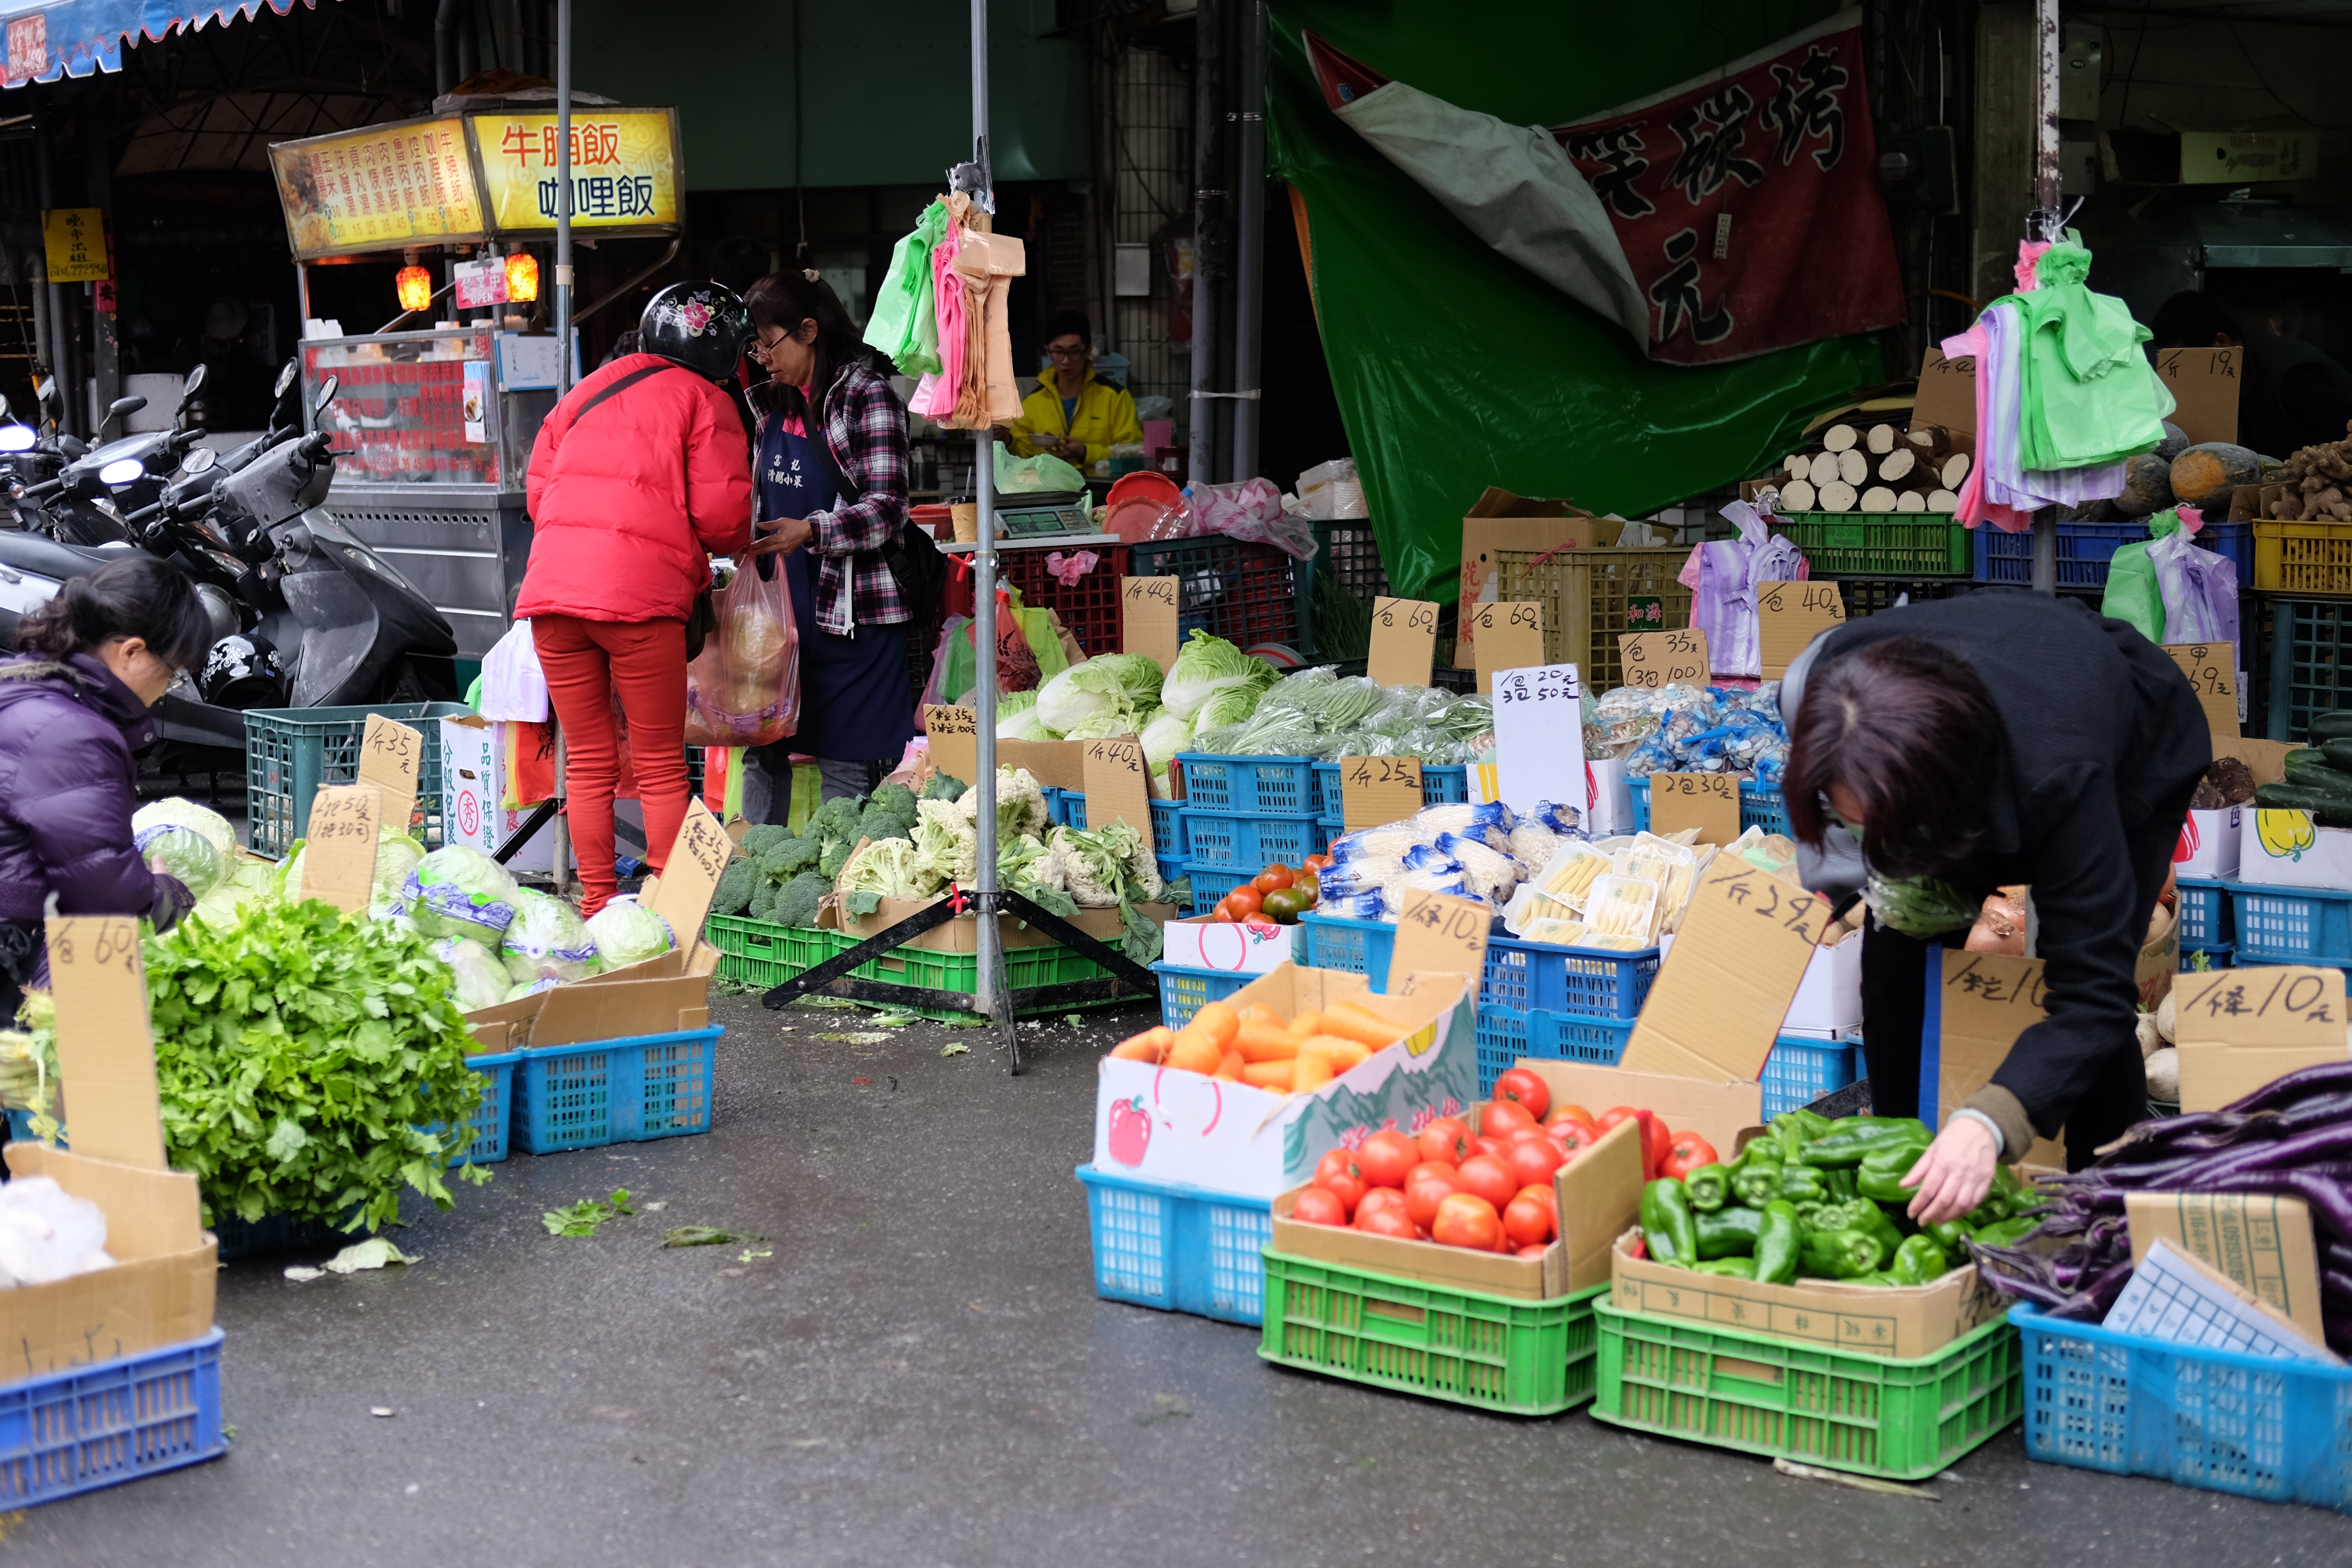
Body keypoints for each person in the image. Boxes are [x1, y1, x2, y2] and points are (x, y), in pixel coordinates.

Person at [1779, 590, 2207, 1224]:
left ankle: (2106, 1211)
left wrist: (1990, 1121)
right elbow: (1850, 833)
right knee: (1896, 952)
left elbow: (2088, 994)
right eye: (1856, 820)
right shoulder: (1820, 700)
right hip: (1959, 745)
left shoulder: (2061, 776)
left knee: (2096, 989)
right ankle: (1908, 1177)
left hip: (2126, 748)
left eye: (1888, 829)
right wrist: (1854, 872)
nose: (1876, 845)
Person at [519, 280, 754, 916]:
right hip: (641, 598)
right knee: (657, 762)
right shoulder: (708, 401)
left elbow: (537, 492)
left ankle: (596, 905)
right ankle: (663, 908)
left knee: (590, 759)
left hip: (553, 596)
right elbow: (724, 519)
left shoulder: (589, 389)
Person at [0, 556, 214, 1018]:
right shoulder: (71, 733)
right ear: (133, 652)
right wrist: (166, 895)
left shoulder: (29, 684)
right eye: (173, 672)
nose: (166, 689)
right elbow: (105, 892)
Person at [738, 270, 919, 810]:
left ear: (809, 331)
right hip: (778, 618)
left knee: (845, 760)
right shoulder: (770, 405)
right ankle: (754, 869)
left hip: (852, 617)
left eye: (769, 343)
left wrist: (813, 530)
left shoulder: (868, 398)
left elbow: (888, 509)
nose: (762, 358)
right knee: (762, 750)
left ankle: (846, 880)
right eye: (756, 346)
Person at [2149, 291, 2352, 459]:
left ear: (2221, 342)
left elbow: (2343, 440)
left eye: (2186, 360)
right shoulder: (2227, 385)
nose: (2184, 373)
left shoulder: (2292, 375)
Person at [1000, 311, 1142, 474]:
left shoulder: (1115, 397)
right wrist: (1008, 440)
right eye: (1058, 352)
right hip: (1050, 492)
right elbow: (1022, 452)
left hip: (1102, 493)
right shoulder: (1034, 402)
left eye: (1074, 352)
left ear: (1088, 352)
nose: (1066, 361)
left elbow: (1134, 452)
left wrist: (1085, 453)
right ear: (1048, 352)